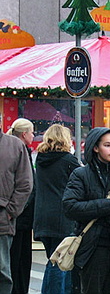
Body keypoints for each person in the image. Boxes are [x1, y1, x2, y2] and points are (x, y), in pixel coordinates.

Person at [62, 127, 110, 294]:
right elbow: (70, 207)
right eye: (107, 145)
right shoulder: (81, 174)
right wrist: (108, 205)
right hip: (93, 248)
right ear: (95, 148)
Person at [33, 124, 81, 294]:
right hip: (62, 216)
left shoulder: (40, 159)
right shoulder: (68, 161)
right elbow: (82, 182)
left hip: (42, 216)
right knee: (60, 261)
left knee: (52, 259)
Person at [0, 118, 33, 293]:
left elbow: (25, 184)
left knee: (3, 270)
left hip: (3, 217)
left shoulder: (14, 147)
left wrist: (11, 211)